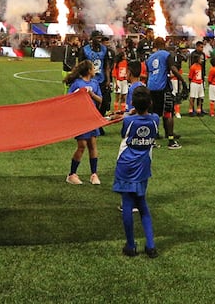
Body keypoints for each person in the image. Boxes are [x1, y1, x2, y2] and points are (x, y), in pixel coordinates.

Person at [113, 85, 160, 258]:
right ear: (150, 103)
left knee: (127, 204)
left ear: (133, 102)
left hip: (126, 164)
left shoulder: (128, 121)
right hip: (143, 165)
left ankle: (131, 245)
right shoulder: (155, 119)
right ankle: (151, 245)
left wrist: (130, 113)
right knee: (142, 204)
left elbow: (124, 134)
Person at [64, 59, 103, 185]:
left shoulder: (95, 83)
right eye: (93, 68)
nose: (94, 70)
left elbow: (100, 100)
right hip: (80, 118)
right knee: (82, 146)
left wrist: (91, 94)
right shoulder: (77, 83)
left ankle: (94, 174)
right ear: (88, 71)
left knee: (92, 145)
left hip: (92, 118)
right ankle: (71, 174)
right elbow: (69, 100)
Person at [144, 37, 182, 148]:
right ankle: (171, 140)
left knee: (153, 114)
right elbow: (173, 69)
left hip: (151, 87)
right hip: (163, 87)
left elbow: (149, 74)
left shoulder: (150, 58)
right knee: (168, 113)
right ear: (164, 44)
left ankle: (152, 139)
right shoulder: (166, 54)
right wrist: (183, 81)